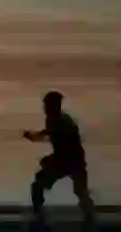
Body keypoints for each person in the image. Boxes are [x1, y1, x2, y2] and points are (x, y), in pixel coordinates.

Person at [24, 91, 94, 229]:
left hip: (71, 161)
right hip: (70, 160)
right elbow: (46, 134)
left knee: (79, 191)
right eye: (45, 105)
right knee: (79, 191)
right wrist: (32, 136)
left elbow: (68, 144)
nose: (45, 108)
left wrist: (51, 161)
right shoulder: (54, 120)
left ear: (54, 106)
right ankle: (88, 217)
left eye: (47, 105)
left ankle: (89, 219)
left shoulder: (62, 121)